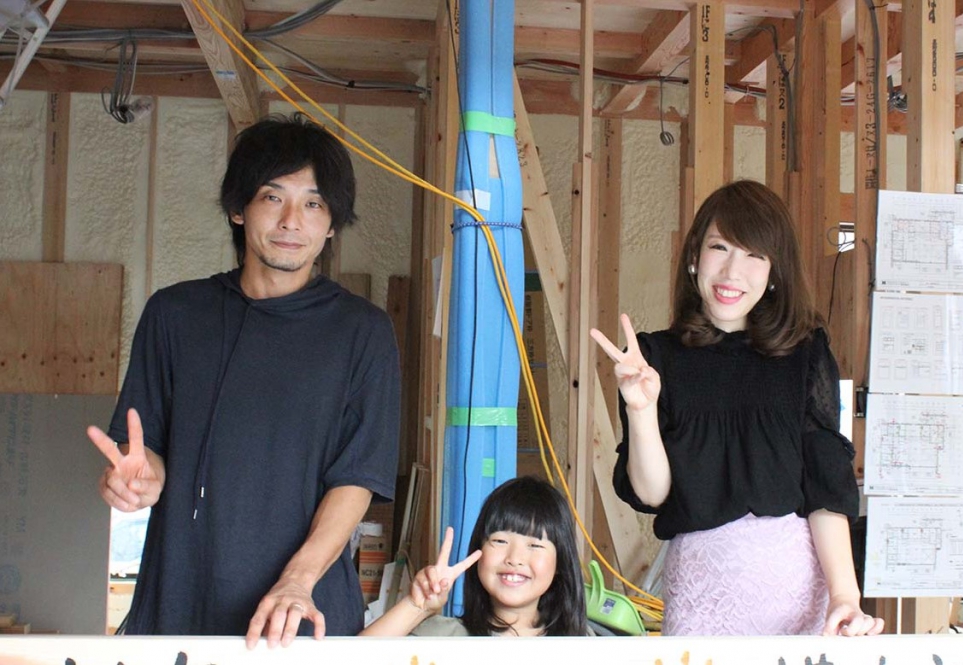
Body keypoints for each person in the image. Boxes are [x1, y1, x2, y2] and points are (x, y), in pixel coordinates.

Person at [86, 114, 401, 648]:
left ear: (331, 225)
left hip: (302, 616)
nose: (292, 221)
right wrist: (143, 481)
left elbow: (356, 479)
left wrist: (297, 580)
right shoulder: (175, 315)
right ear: (238, 208)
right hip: (180, 603)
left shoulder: (362, 332)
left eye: (314, 204)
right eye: (273, 197)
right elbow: (148, 447)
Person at [590, 180, 883, 637]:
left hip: (796, 599)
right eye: (719, 247)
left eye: (754, 255)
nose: (732, 272)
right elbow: (652, 494)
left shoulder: (806, 354)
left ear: (774, 271)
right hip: (701, 600)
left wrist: (845, 595)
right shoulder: (653, 360)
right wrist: (641, 410)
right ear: (694, 256)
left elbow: (825, 484)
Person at [361, 476, 590, 637]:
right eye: (500, 541)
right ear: (477, 551)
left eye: (535, 545)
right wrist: (416, 605)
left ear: (560, 562)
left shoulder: (580, 643)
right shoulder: (444, 636)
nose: (514, 558)